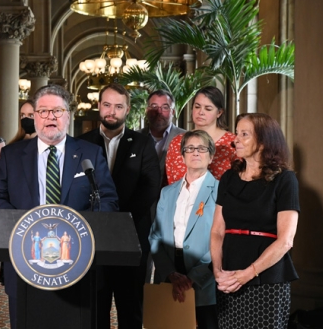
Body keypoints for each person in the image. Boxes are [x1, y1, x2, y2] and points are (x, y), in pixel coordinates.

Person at [0, 84, 119, 328]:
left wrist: (78, 227)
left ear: (68, 115)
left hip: (77, 263)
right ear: (34, 116)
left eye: (57, 111)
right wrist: (26, 223)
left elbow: (108, 201)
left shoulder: (90, 153)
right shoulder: (12, 155)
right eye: (43, 112)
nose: (50, 118)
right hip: (26, 261)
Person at [77, 84, 160, 329]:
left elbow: (150, 187)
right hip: (92, 240)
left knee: (131, 310)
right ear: (99, 106)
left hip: (131, 238)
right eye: (107, 105)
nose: (112, 111)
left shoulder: (143, 144)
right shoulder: (81, 143)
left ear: (128, 109)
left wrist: (118, 221)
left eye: (118, 106)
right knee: (94, 310)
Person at [210, 113, 299, 329]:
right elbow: (217, 231)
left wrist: (248, 273)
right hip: (229, 275)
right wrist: (218, 271)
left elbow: (286, 241)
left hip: (267, 278)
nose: (235, 140)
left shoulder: (285, 180)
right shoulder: (228, 178)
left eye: (244, 134)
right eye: (237, 133)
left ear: (263, 141)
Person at [149, 130, 219, 329]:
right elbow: (155, 236)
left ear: (211, 156)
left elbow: (223, 240)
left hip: (205, 277)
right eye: (190, 148)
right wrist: (170, 272)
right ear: (182, 155)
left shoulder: (221, 192)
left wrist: (193, 278)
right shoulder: (167, 192)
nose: (195, 152)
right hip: (169, 273)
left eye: (201, 148)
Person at [165, 86, 235, 182]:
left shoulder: (232, 143)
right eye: (197, 107)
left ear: (219, 112)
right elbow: (171, 182)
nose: (200, 112)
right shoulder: (177, 142)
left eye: (208, 109)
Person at [138, 89, 186, 181]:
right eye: (154, 106)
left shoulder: (186, 138)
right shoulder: (135, 138)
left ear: (173, 112)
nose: (159, 111)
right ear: (147, 110)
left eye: (165, 107)